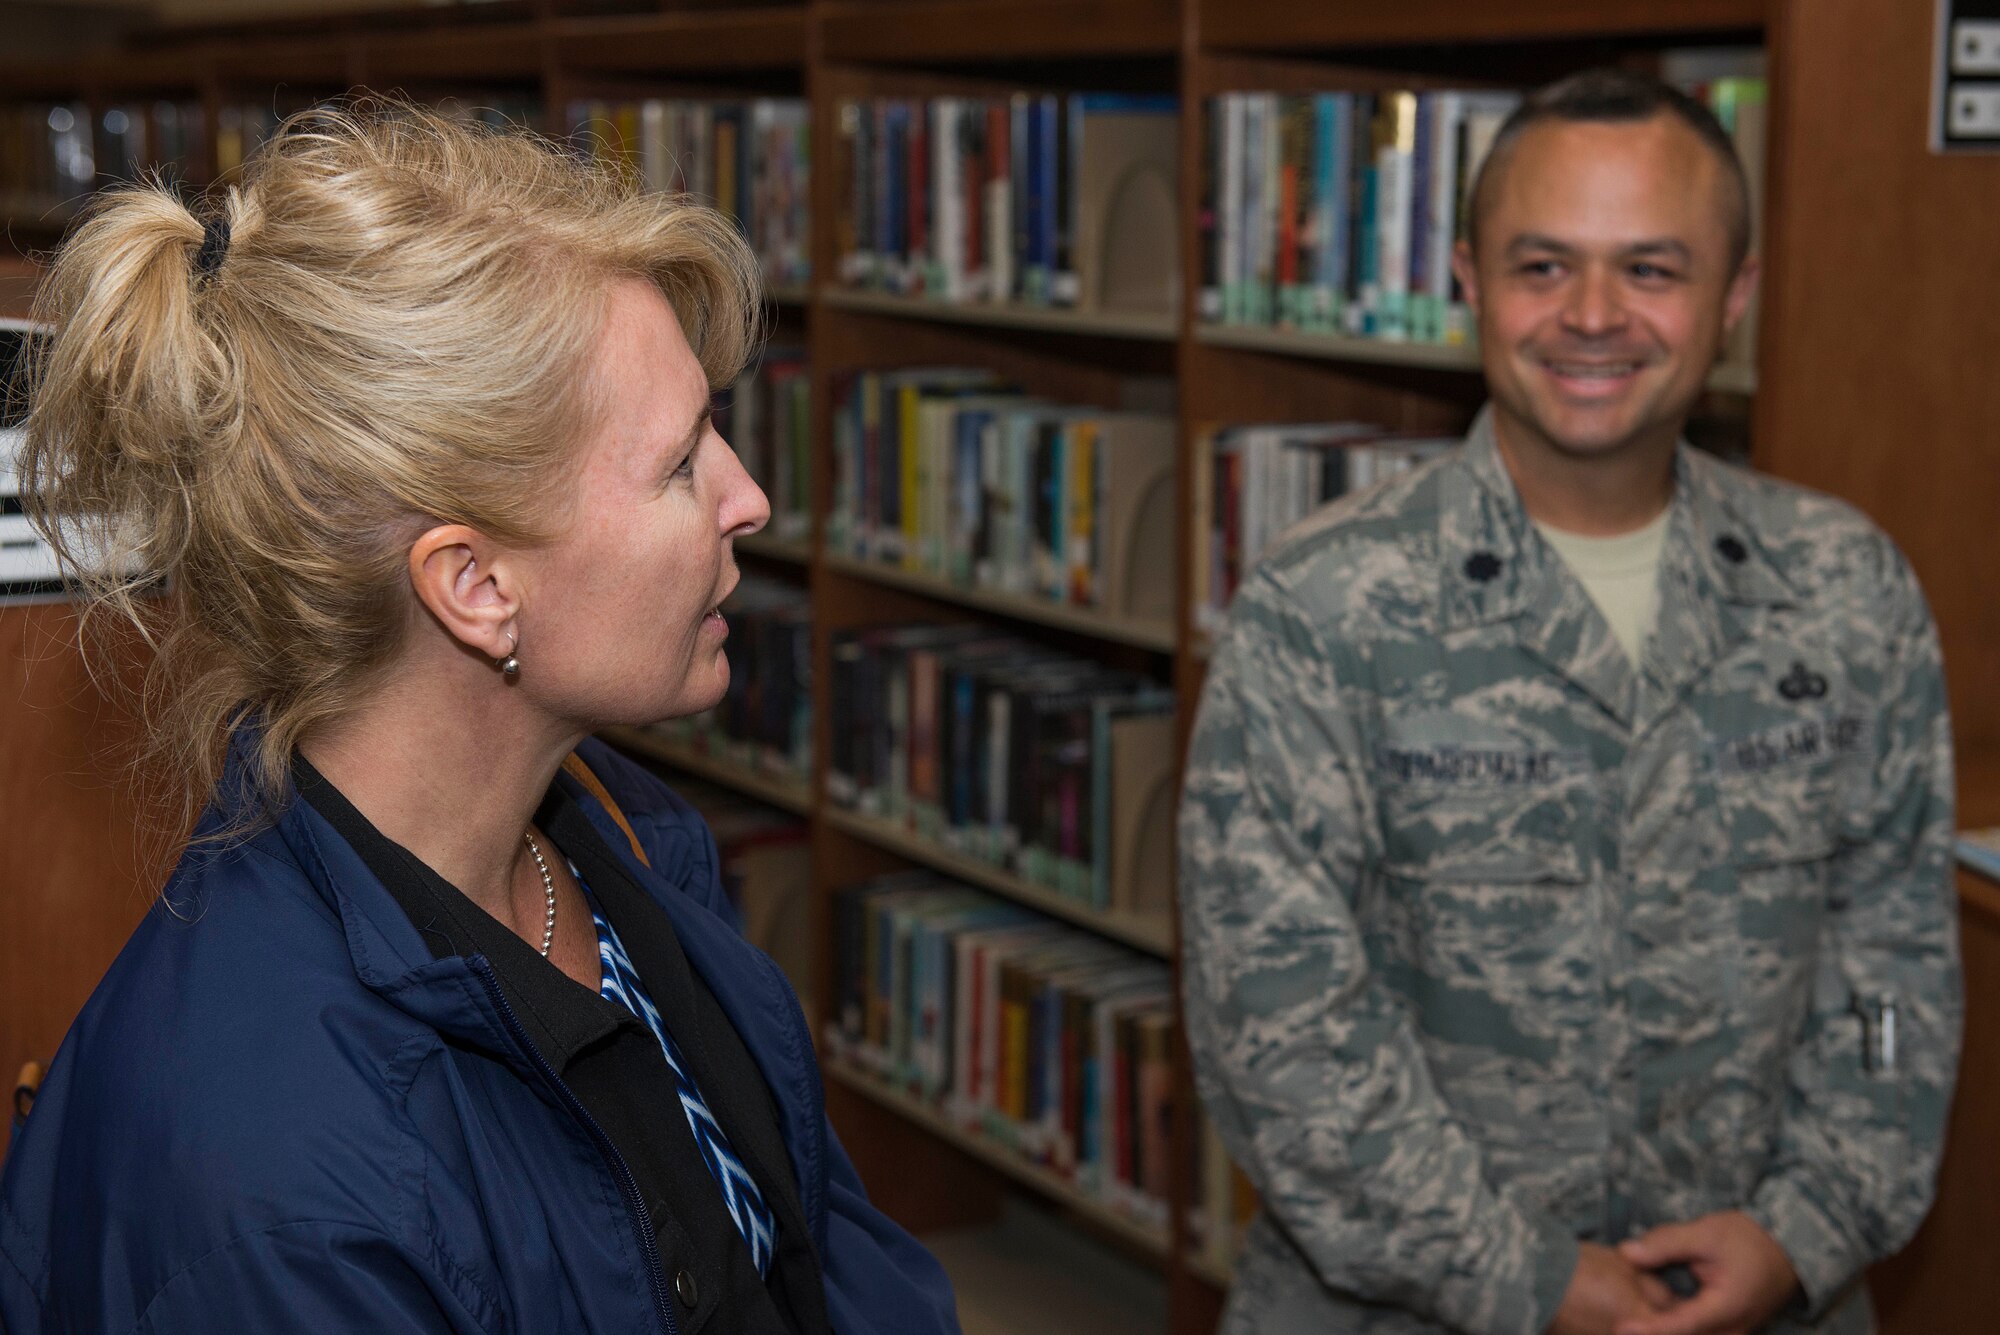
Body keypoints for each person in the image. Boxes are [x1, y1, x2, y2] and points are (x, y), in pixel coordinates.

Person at [0, 104, 959, 1334]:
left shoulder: (621, 836)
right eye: (679, 462)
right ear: (476, 588)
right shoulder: (275, 1191)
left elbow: (814, 1261)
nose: (750, 499)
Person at [1179, 68, 1960, 1335]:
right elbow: (1277, 1028)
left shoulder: (1843, 590)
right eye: (1542, 267)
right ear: (1468, 283)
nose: (1592, 316)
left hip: (1771, 1301)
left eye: (1650, 269)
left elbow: (1895, 976)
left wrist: (1804, 1231)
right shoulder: (1323, 605)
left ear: (1734, 298)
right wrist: (1531, 1277)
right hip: (1405, 1306)